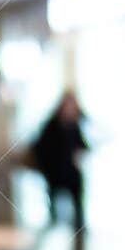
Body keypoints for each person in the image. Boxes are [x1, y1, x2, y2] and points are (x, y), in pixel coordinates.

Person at [33, 90, 88, 231]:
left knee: (78, 190)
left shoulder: (74, 125)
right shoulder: (51, 125)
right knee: (54, 202)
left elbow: (83, 146)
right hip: (54, 173)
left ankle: (79, 226)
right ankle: (53, 223)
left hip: (71, 174)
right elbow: (40, 149)